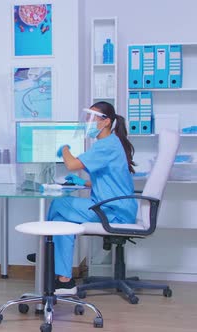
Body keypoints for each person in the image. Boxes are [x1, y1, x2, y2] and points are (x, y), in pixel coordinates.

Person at [49, 101, 138, 295]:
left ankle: (47, 251)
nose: (88, 121)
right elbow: (109, 179)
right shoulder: (109, 143)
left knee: (58, 202)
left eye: (92, 117)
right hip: (111, 205)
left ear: (106, 122)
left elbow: (72, 164)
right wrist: (84, 183)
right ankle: (64, 280)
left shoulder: (107, 145)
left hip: (114, 211)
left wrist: (63, 146)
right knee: (60, 220)